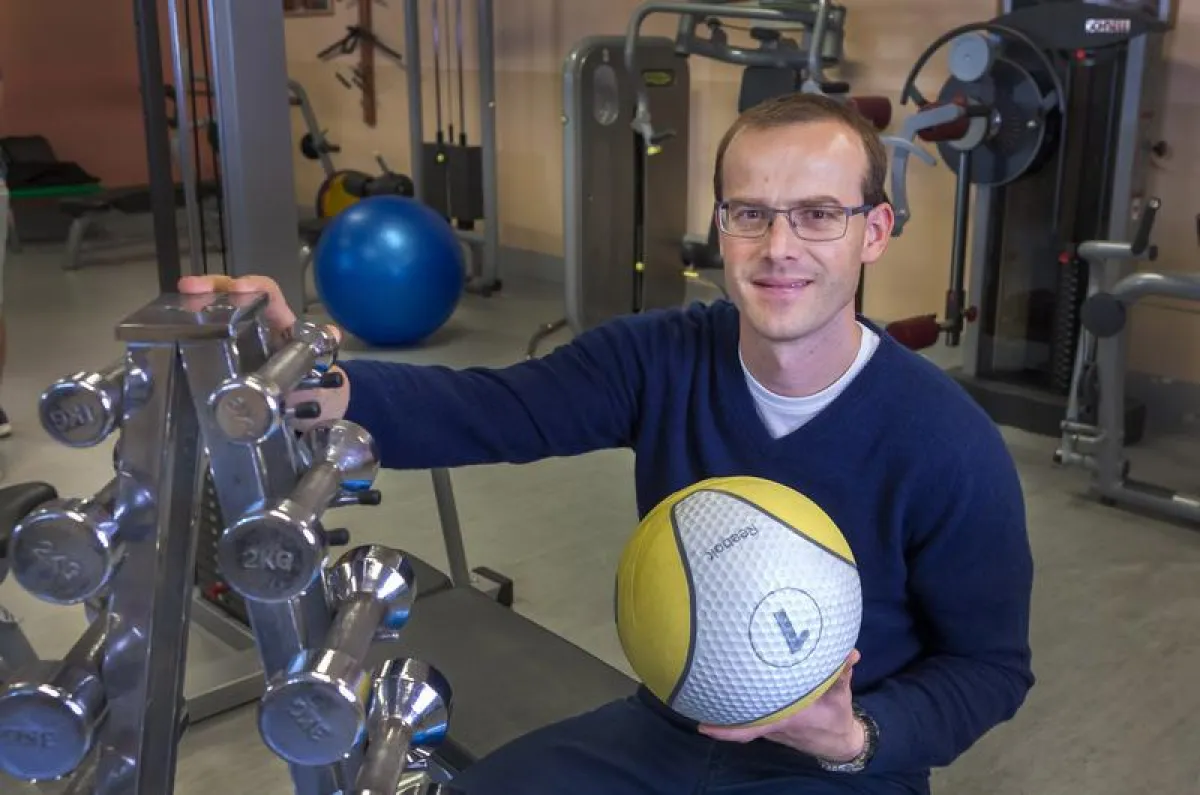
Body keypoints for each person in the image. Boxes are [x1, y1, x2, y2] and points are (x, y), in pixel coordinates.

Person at [180, 92, 1034, 794]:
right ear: (721, 227)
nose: (780, 248)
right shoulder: (662, 356)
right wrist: (302, 382)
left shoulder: (947, 442)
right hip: (664, 729)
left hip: (840, 768)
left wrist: (858, 735)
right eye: (751, 214)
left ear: (873, 231)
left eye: (817, 215)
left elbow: (990, 667)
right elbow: (490, 409)